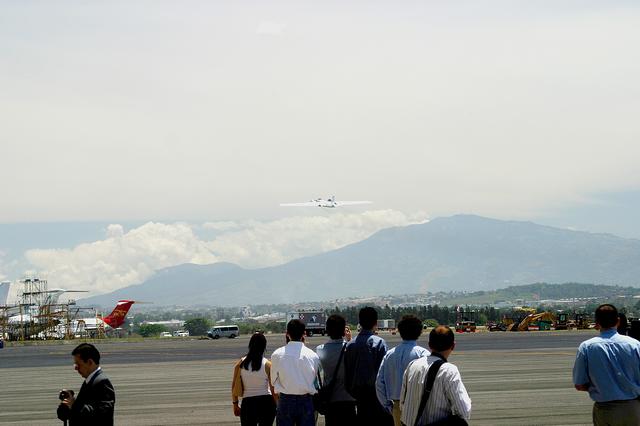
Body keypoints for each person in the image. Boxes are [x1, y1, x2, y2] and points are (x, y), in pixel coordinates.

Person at [573, 304, 640, 426]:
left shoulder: (587, 347)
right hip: (633, 408)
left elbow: (579, 385)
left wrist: (600, 386)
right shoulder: (635, 345)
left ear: (597, 323)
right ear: (618, 321)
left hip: (605, 409)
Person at [400, 325, 471, 426]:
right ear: (453, 346)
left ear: (429, 345)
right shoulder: (449, 370)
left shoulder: (412, 365)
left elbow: (402, 402)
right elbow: (464, 411)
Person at [376, 315, 429, 426]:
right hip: (419, 406)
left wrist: (388, 406)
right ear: (419, 332)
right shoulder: (424, 355)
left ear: (400, 331)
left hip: (397, 406)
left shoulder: (389, 355)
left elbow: (379, 383)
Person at [344, 306, 393, 426]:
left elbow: (348, 373)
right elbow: (384, 373)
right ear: (375, 323)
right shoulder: (379, 343)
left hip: (359, 396)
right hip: (377, 397)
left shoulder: (350, 345)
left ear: (360, 322)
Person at [270, 319, 321, 426]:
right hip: (306, 400)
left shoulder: (277, 355)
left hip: (285, 400)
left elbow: (273, 379)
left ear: (287, 334)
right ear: (304, 334)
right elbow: (314, 377)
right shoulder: (313, 356)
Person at [57, 343, 115, 426]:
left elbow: (103, 415)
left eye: (78, 364)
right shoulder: (90, 380)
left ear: (90, 362)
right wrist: (67, 405)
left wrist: (74, 404)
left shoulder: (102, 382)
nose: (76, 368)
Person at [315, 314, 356, 425]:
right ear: (343, 330)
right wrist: (349, 340)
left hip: (330, 399)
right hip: (349, 398)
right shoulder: (350, 348)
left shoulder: (320, 350)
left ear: (327, 330)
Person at [231, 333, 277, 425]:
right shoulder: (267, 364)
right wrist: (277, 405)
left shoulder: (240, 364)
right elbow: (273, 388)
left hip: (248, 404)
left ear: (250, 345)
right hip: (266, 403)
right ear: (264, 346)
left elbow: (233, 387)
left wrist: (235, 404)